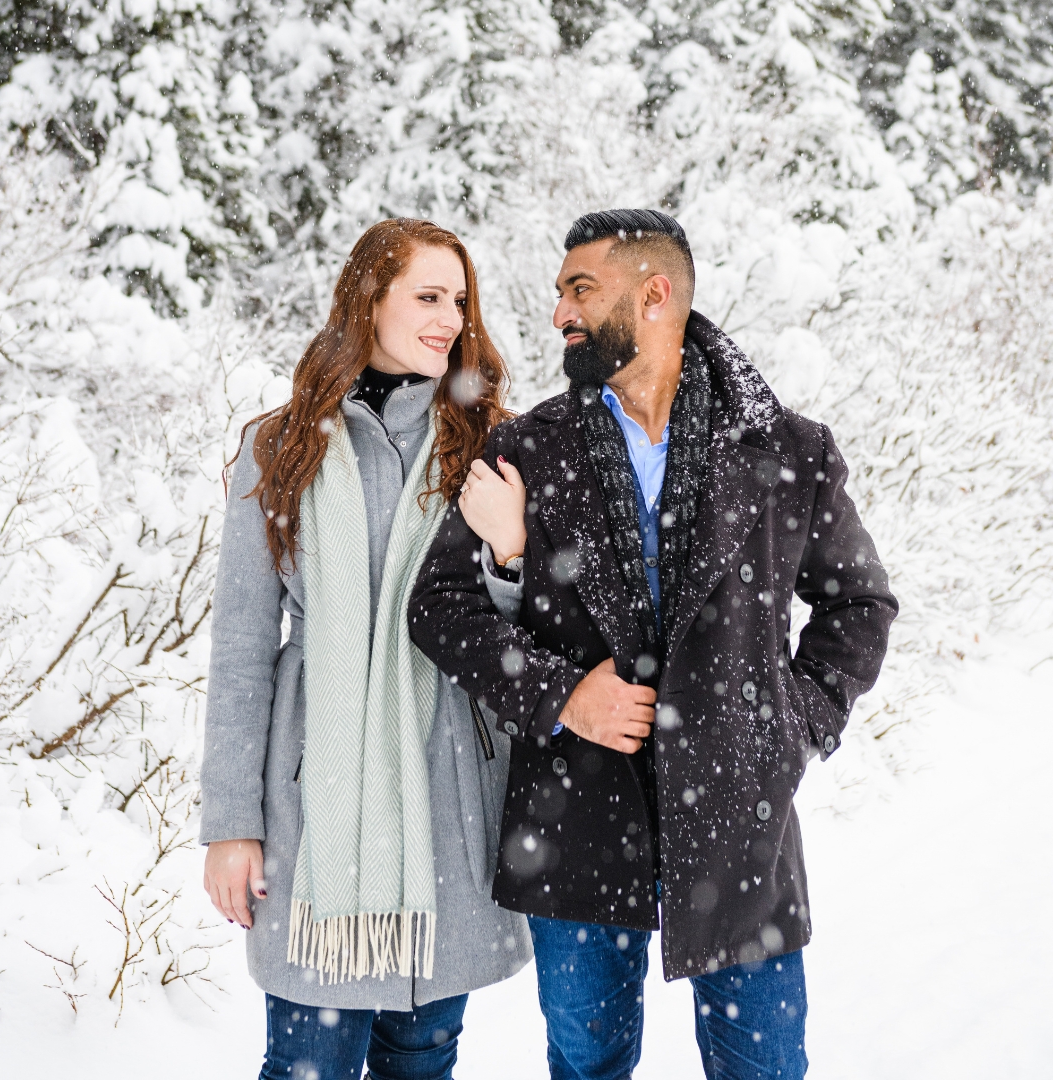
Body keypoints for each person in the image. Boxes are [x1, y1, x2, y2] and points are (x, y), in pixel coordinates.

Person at [410, 209, 898, 1079]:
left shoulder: (789, 448)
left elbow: (858, 605)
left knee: (763, 1064)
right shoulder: (525, 446)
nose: (559, 310)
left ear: (656, 294)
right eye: (559, 290)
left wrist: (791, 726)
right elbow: (441, 607)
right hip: (576, 818)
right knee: (587, 1062)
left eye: (581, 289)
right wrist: (561, 695)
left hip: (739, 817)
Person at [199, 218, 534, 1080]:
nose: (449, 319)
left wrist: (511, 555)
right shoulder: (279, 449)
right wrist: (232, 824)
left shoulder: (494, 442)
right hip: (315, 805)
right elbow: (241, 647)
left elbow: (537, 630)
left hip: (447, 791)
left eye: (458, 301)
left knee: (422, 1060)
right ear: (367, 301)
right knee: (308, 1060)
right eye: (426, 297)